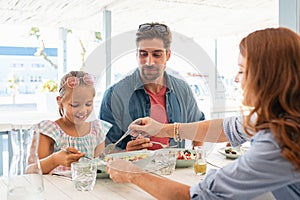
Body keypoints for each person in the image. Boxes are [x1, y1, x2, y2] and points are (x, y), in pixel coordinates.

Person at [107, 27, 300, 199]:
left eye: (241, 71)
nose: (235, 79)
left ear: (266, 77)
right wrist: (161, 129)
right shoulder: (283, 119)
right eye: (143, 54)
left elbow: (198, 197)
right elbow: (228, 128)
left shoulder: (279, 142)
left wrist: (132, 173)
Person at [100, 22, 205, 151]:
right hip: (134, 170)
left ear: (168, 55)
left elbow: (199, 129)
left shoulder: (182, 90)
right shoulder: (114, 95)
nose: (149, 62)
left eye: (157, 54)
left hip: (175, 170)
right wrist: (125, 153)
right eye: (143, 54)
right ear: (137, 54)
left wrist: (196, 158)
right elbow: (104, 151)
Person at [30, 71, 110, 174]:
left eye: (88, 104)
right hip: (55, 189)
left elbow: (99, 169)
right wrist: (54, 160)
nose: (82, 110)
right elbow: (30, 171)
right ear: (60, 101)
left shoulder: (97, 129)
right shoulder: (49, 130)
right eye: (75, 105)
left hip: (87, 189)